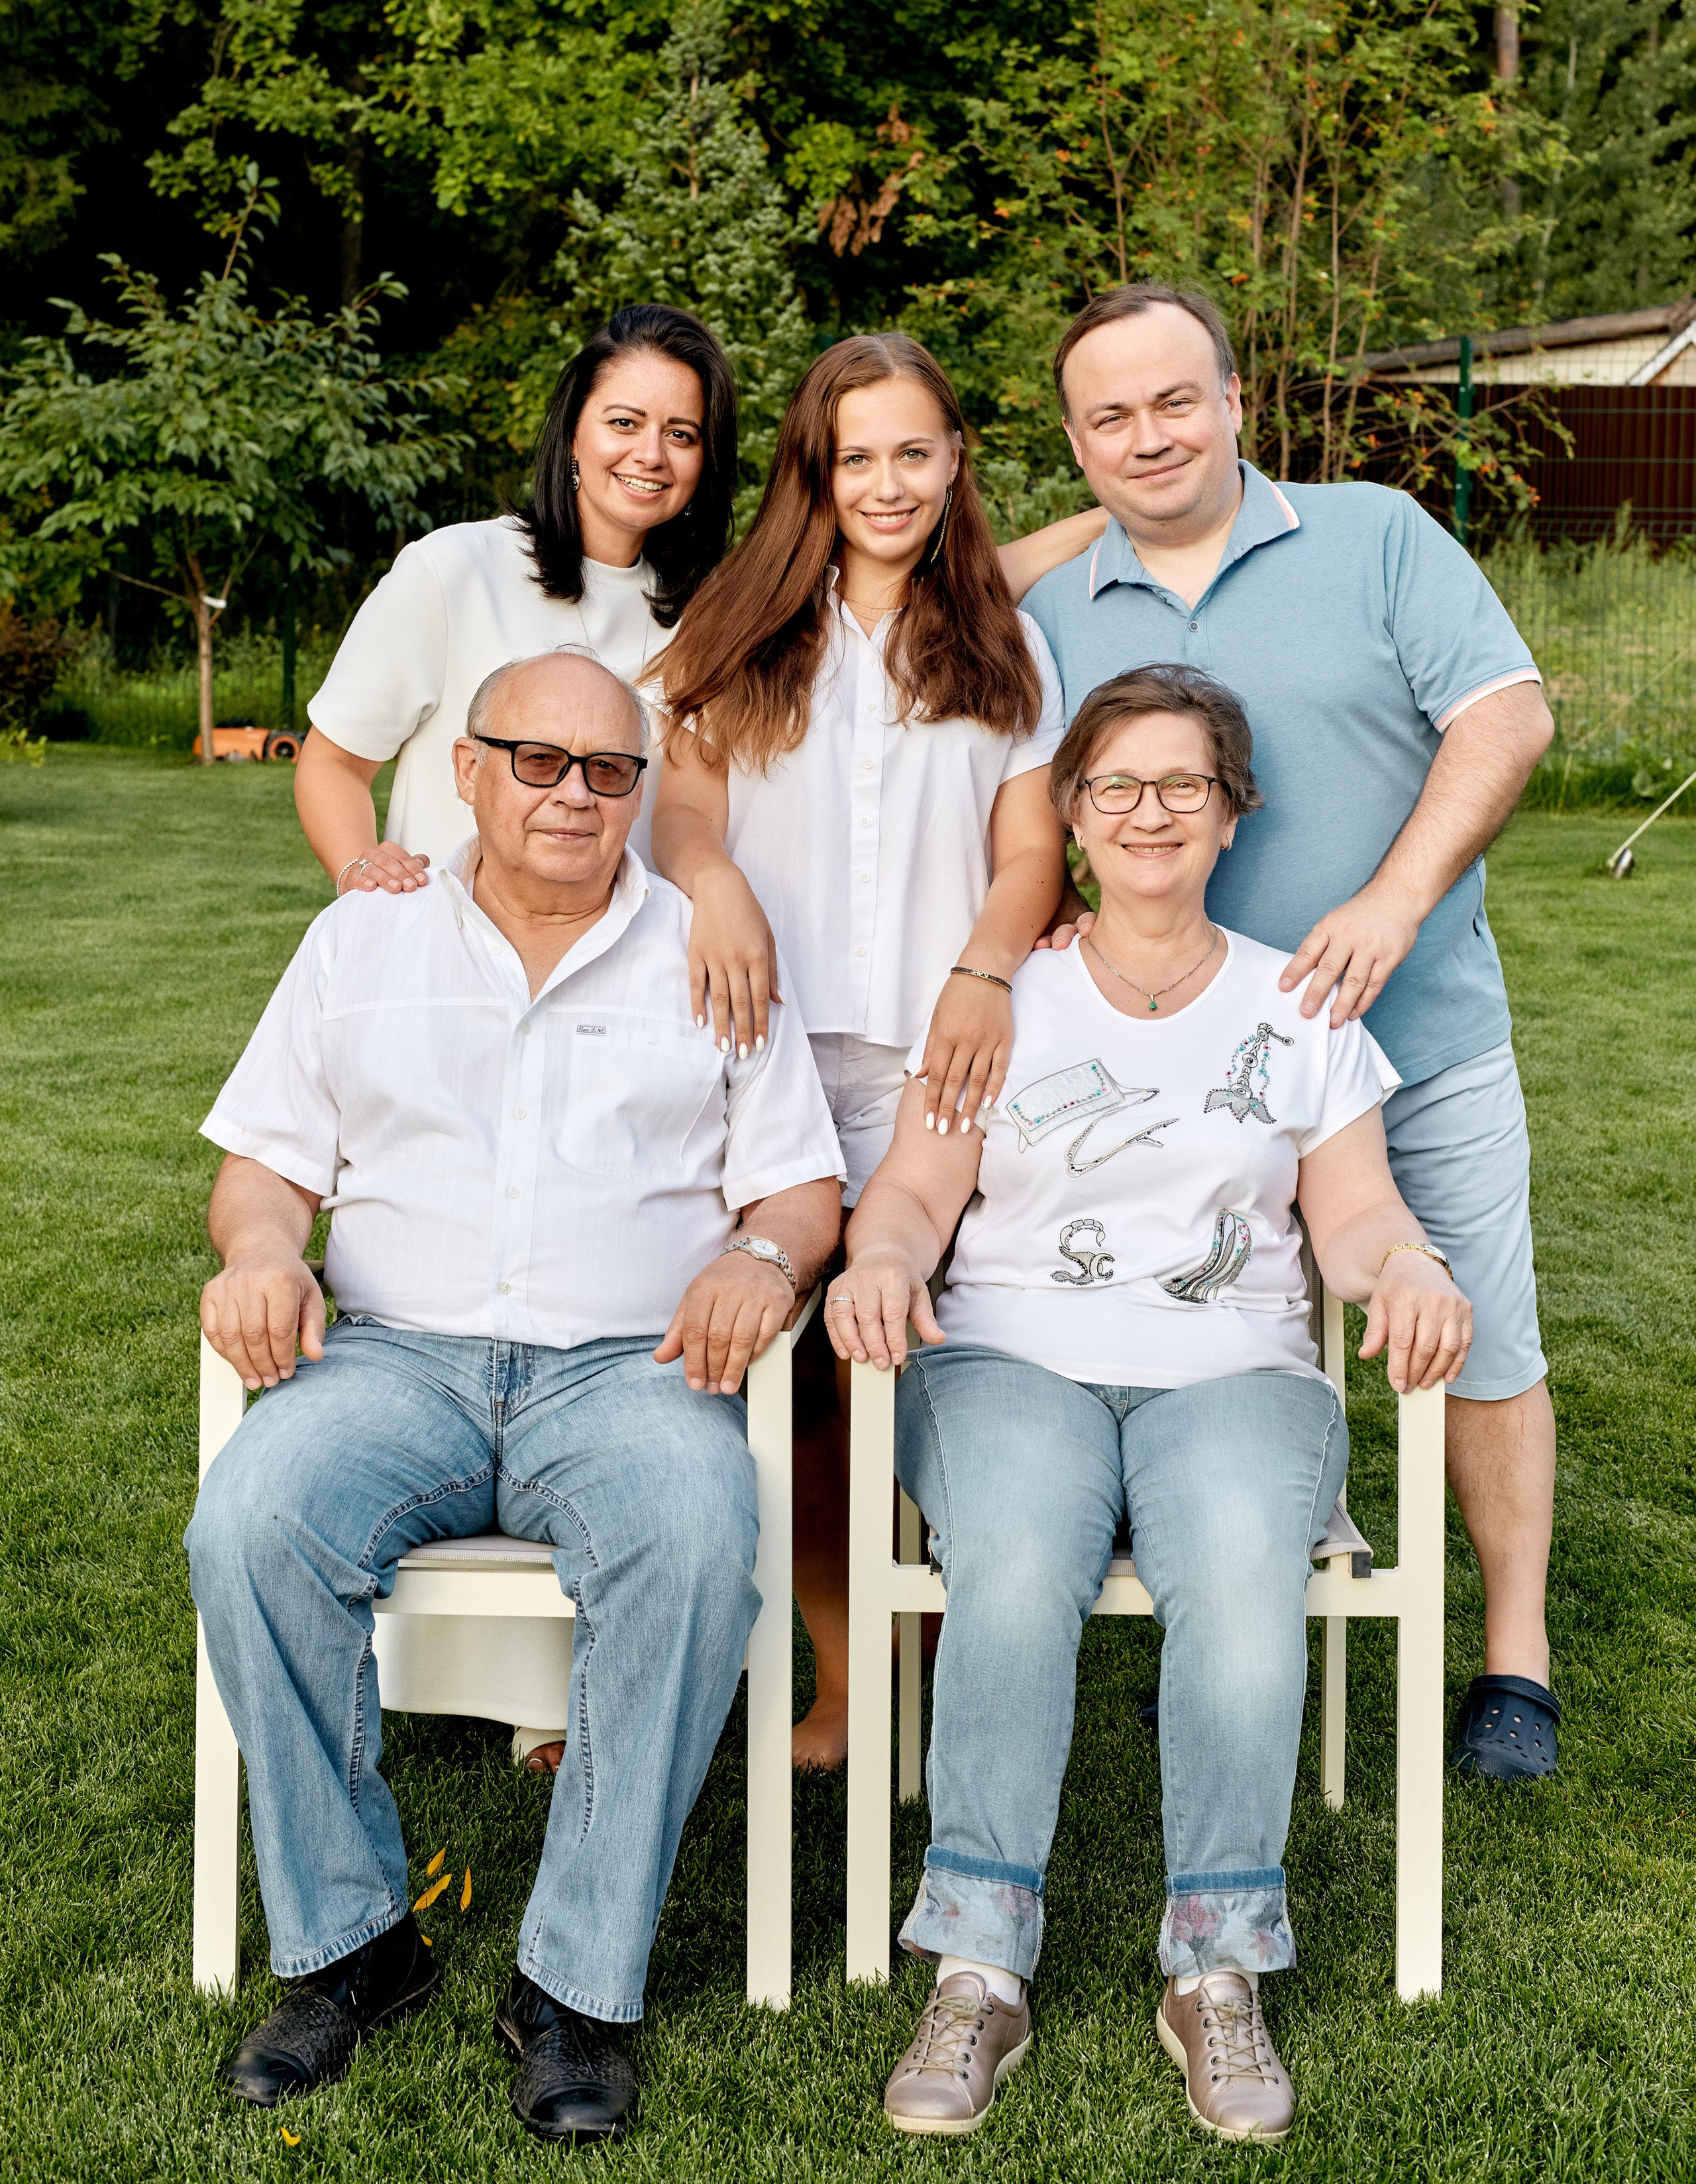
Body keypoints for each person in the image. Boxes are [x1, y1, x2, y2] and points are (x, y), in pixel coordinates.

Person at [186, 649, 843, 2144]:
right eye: (534, 761)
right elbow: (266, 1163)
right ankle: (356, 1945)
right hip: (395, 1355)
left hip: (630, 1368)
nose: (571, 793)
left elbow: (801, 1185)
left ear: (640, 790)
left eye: (608, 769)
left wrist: (760, 1252)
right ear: (467, 770)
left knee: (689, 1538)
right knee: (250, 1527)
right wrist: (265, 1247)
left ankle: (575, 1986)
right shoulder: (365, 943)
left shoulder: (704, 947)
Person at [826, 665, 1472, 2142]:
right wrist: (875, 1259)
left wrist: (1412, 1269)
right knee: (1012, 1565)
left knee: (1244, 1573)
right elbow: (917, 1195)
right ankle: (981, 1963)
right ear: (1070, 813)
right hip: (1003, 1357)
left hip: (1234, 1373)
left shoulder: (1294, 1003)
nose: (1147, 813)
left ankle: (1216, 1969)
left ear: (1231, 813)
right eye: (1114, 785)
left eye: (1183, 784)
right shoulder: (998, 998)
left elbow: (1356, 1218)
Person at [1020, 283, 1560, 1783]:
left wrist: (1391, 898)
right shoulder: (1054, 609)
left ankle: (1511, 1655)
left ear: (1236, 397)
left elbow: (1505, 716)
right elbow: (901, 612)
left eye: (1173, 399)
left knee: (1477, 1328)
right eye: (1107, 415)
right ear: (1069, 440)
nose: (1147, 434)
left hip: (1416, 1023)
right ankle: (1211, 1590)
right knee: (1192, 1329)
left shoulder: (1375, 531)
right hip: (1178, 1082)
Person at [652, 333, 1073, 1768]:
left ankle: (955, 1679)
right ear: (811, 474)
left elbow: (1029, 851)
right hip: (757, 1053)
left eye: (913, 452)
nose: (884, 483)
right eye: (855, 457)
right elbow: (685, 815)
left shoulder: (1004, 641)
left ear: (955, 463)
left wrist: (980, 972)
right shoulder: (745, 626)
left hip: (938, 1065)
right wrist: (711, 886)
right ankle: (841, 1682)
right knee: (801, 1382)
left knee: (938, 1365)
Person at [294, 299, 736, 894]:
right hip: (447, 951)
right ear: (574, 430)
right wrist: (358, 872)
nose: (651, 455)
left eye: (681, 434)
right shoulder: (452, 570)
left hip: (620, 969)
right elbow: (334, 763)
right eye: (624, 423)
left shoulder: (709, 618)